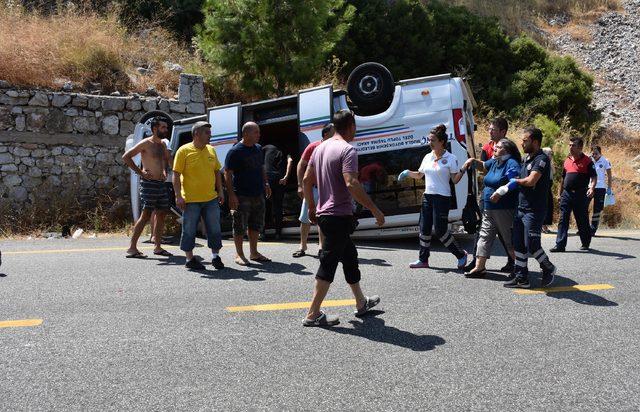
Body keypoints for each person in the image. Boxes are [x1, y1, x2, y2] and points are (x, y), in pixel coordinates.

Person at [302, 110, 384, 327]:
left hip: (326, 215)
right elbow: (351, 183)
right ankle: (313, 314)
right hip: (338, 215)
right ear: (351, 126)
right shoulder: (348, 150)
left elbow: (306, 179)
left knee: (349, 256)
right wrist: (374, 209)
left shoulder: (319, 149)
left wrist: (312, 206)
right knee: (328, 263)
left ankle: (360, 302)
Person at [491, 126, 556, 288]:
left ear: (535, 142)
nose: (522, 143)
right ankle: (522, 277)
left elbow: (531, 181)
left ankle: (548, 267)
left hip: (534, 209)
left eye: (525, 141)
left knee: (532, 243)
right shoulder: (526, 159)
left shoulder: (541, 159)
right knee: (518, 243)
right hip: (521, 207)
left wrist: (512, 183)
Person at [398, 124, 468, 269]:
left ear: (441, 142)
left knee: (441, 231)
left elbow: (455, 180)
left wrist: (464, 168)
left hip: (442, 198)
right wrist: (407, 172)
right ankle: (423, 259)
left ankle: (461, 255)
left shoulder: (451, 158)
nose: (429, 143)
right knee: (424, 229)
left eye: (432, 140)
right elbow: (419, 175)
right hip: (427, 197)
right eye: (429, 140)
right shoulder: (427, 157)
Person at [461, 138, 521, 277]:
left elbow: (514, 181)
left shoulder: (511, 163)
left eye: (498, 147)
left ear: (506, 150)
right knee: (484, 236)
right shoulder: (495, 161)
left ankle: (520, 269)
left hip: (504, 208)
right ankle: (479, 267)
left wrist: (500, 192)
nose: (494, 148)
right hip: (489, 208)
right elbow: (483, 166)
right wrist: (472, 161)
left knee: (508, 240)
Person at [172, 121, 225, 270]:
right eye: (207, 132)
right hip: (190, 200)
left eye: (210, 132)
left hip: (211, 198)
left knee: (214, 228)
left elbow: (217, 172)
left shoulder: (211, 150)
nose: (210, 135)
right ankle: (189, 259)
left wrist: (220, 191)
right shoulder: (183, 151)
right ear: (196, 134)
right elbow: (175, 175)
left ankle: (216, 257)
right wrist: (178, 196)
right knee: (189, 230)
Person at [122, 117, 172, 259]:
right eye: (163, 127)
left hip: (160, 184)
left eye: (166, 128)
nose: (166, 130)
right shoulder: (146, 143)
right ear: (155, 129)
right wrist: (140, 172)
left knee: (161, 213)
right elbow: (126, 157)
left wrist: (164, 171)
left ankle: (157, 247)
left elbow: (163, 160)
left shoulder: (162, 144)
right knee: (146, 215)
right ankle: (132, 248)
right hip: (148, 184)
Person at [224, 122, 272, 266]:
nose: (259, 134)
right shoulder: (235, 151)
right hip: (242, 195)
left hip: (258, 193)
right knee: (239, 225)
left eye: (258, 132)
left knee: (256, 224)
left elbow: (262, 167)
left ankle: (254, 253)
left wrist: (266, 183)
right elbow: (227, 173)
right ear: (246, 134)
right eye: (256, 132)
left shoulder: (258, 148)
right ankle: (239, 254)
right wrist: (231, 195)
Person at [293, 123, 334, 258]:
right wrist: (300, 185)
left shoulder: (334, 147)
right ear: (326, 134)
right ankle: (302, 246)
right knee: (305, 218)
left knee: (323, 218)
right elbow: (301, 164)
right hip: (312, 188)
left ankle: (321, 247)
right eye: (334, 131)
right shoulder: (313, 146)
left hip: (327, 189)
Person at [550, 137, 596, 252]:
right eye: (569, 145)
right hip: (567, 194)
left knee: (582, 219)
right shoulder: (567, 160)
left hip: (580, 194)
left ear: (580, 147)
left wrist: (591, 187)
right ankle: (560, 245)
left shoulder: (587, 161)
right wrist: (560, 194)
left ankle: (585, 242)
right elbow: (563, 178)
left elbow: (594, 176)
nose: (570, 147)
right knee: (563, 219)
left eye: (573, 145)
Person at [261, 143, 293, 240]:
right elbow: (290, 161)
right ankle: (278, 233)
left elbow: (259, 163)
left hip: (267, 177)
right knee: (278, 206)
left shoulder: (265, 147)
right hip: (279, 178)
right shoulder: (285, 149)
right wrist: (286, 177)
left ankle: (262, 232)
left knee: (264, 205)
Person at [590, 145, 612, 236]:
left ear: (600, 153)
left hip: (601, 188)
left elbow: (609, 175)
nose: (594, 155)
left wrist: (609, 187)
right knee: (583, 207)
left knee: (597, 210)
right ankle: (584, 228)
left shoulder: (605, 161)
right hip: (590, 187)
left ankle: (593, 229)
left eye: (596, 154)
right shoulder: (589, 160)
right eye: (593, 154)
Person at [542, 147, 555, 233]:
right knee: (544, 207)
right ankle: (543, 226)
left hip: (548, 187)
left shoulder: (550, 164)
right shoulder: (542, 163)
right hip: (543, 188)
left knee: (549, 206)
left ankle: (545, 225)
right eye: (549, 153)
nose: (551, 155)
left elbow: (553, 173)